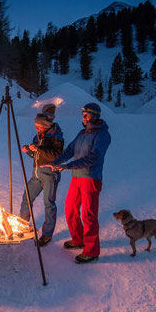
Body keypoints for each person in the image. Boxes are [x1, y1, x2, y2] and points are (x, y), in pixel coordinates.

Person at [46, 103, 111, 264]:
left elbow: (93, 157)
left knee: (88, 215)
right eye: (83, 115)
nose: (83, 117)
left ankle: (91, 251)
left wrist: (67, 166)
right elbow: (70, 150)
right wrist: (56, 162)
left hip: (91, 178)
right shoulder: (82, 133)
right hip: (76, 178)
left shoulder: (103, 135)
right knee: (70, 209)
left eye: (87, 115)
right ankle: (78, 239)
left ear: (95, 116)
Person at [19, 104, 64, 246]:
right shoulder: (38, 136)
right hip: (37, 173)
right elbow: (36, 155)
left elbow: (55, 155)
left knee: (49, 204)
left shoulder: (56, 137)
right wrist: (29, 150)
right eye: (36, 126)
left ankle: (47, 235)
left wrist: (39, 148)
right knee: (27, 197)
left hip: (50, 175)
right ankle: (22, 225)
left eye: (38, 126)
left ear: (45, 125)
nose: (36, 128)